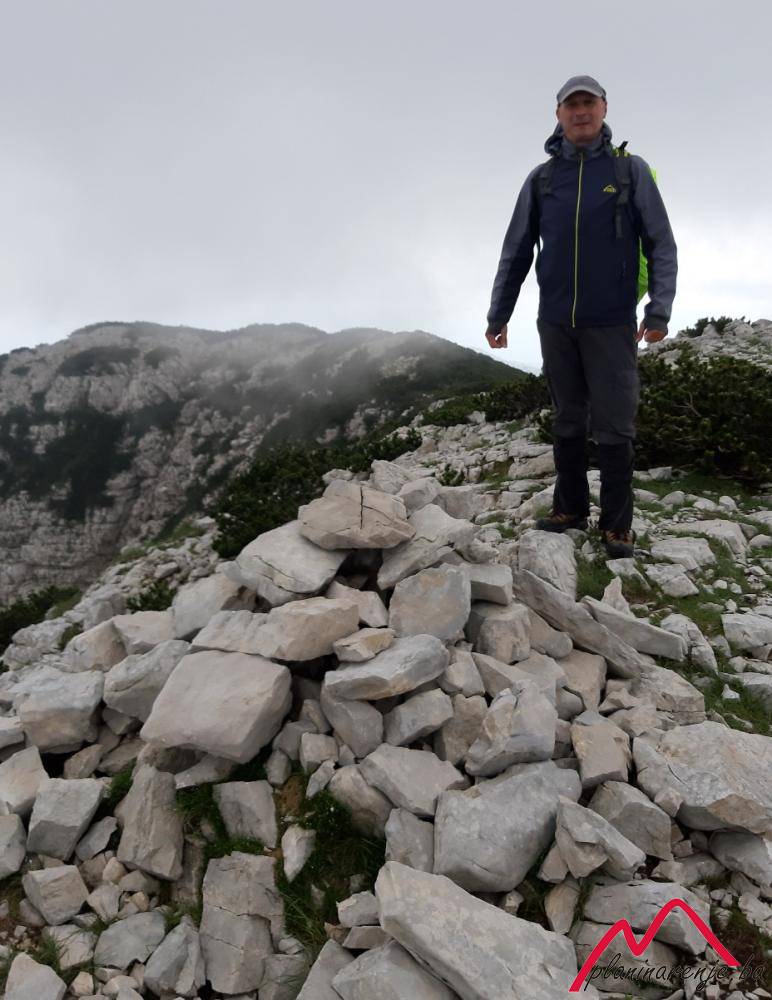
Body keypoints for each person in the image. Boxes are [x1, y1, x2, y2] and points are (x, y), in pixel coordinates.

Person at [484, 75, 677, 558]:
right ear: (559, 114)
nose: (581, 112)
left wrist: (658, 309)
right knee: (568, 418)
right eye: (572, 105)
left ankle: (617, 525)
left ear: (604, 108)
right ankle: (569, 509)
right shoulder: (542, 179)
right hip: (555, 321)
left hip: (611, 320)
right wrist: (499, 313)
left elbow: (661, 243)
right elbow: (517, 250)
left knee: (614, 424)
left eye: (589, 103)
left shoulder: (629, 170)